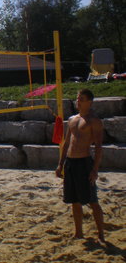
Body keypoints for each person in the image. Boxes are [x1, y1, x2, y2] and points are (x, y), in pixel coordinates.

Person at [55, 89, 105, 244]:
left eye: (81, 99)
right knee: (74, 200)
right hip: (71, 162)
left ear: (89, 102)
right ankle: (78, 233)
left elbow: (98, 147)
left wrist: (95, 169)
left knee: (92, 200)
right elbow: (67, 143)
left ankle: (101, 234)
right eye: (77, 99)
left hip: (84, 162)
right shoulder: (72, 119)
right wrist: (60, 164)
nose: (78, 101)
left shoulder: (93, 121)